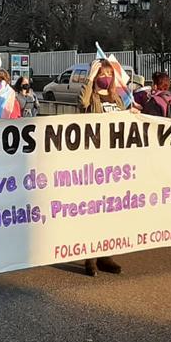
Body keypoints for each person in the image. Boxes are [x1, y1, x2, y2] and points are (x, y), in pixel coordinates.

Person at [78, 58, 125, 276]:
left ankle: (107, 254)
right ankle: (90, 258)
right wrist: (89, 79)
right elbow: (82, 104)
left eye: (108, 73)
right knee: (93, 210)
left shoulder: (116, 98)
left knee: (111, 210)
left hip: (114, 162)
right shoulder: (92, 97)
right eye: (101, 73)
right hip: (94, 161)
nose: (105, 77)